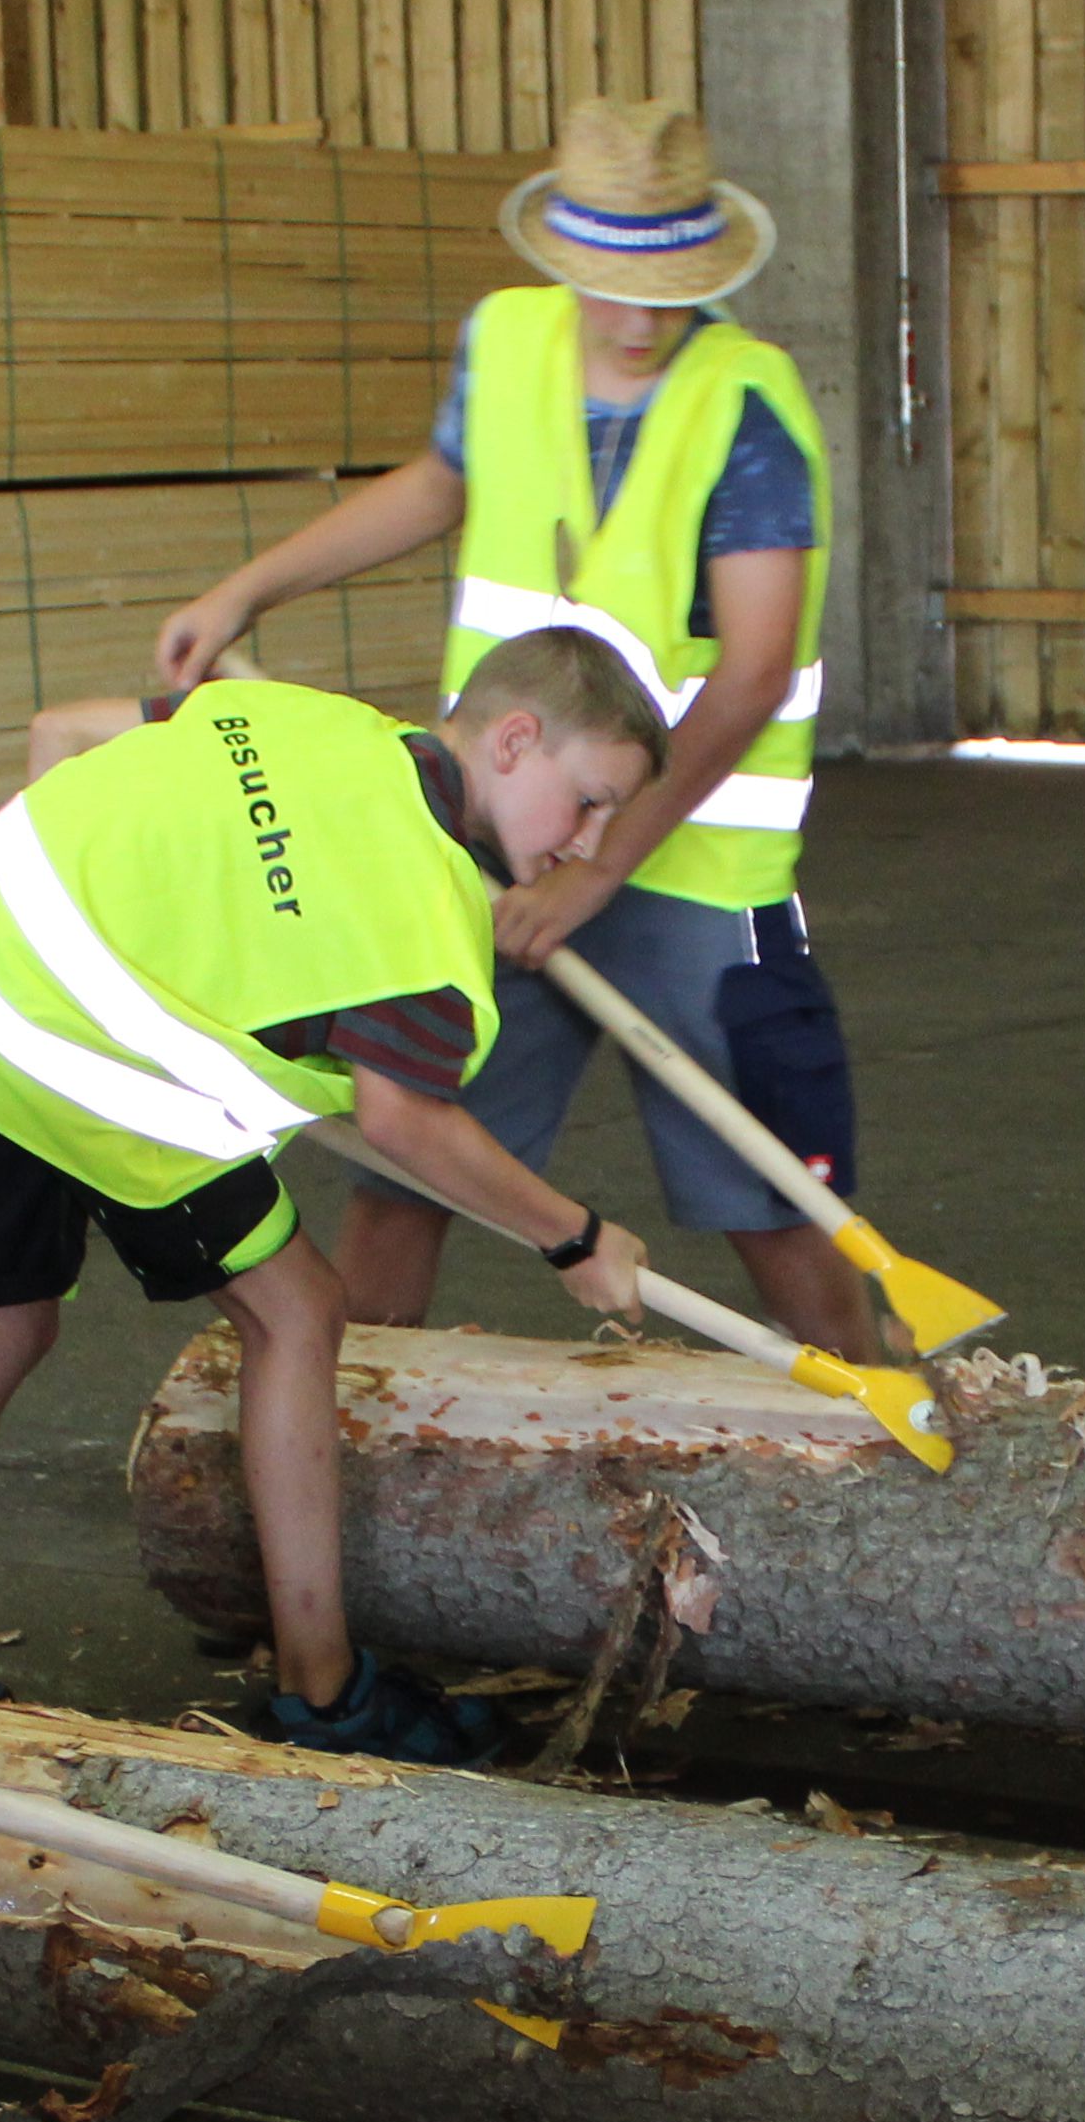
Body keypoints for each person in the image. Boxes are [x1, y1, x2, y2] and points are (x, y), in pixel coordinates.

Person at [127, 95, 879, 1359]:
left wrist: (600, 867)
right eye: (614, 286)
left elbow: (750, 674)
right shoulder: (509, 343)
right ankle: (353, 1433)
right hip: (489, 846)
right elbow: (440, 484)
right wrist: (247, 588)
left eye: (670, 288)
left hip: (692, 871)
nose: (641, 322)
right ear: (565, 263)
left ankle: (880, 1425)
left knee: (771, 1194)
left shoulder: (745, 405)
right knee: (412, 1152)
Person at [0, 638, 668, 1765]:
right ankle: (324, 1692)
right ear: (515, 740)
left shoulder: (304, 717)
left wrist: (82, 922)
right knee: (296, 1312)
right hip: (84, 1058)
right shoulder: (424, 925)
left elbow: (64, 736)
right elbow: (405, 1124)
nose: (586, 841)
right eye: (591, 801)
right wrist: (574, 1239)